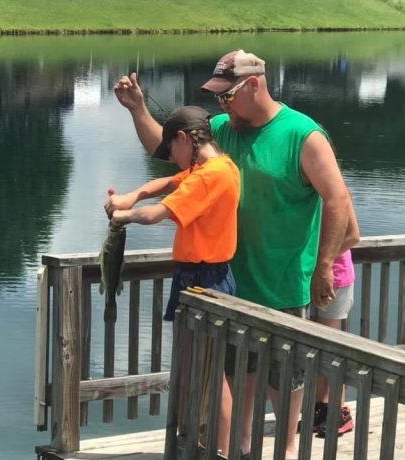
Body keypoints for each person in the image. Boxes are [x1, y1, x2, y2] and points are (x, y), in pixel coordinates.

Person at [114, 50, 352, 459]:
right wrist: (137, 109)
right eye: (218, 98)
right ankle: (239, 448)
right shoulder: (223, 129)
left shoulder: (302, 134)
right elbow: (170, 148)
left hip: (283, 282)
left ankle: (287, 448)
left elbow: (337, 199)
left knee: (286, 378)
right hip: (226, 283)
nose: (221, 106)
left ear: (254, 85)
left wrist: (325, 266)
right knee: (235, 373)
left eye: (228, 96)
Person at [104, 105, 240, 454]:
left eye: (171, 149)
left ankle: (221, 450)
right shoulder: (214, 168)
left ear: (184, 138)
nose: (171, 157)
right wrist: (134, 194)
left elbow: (157, 214)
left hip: (205, 281)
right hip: (198, 276)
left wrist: (125, 215)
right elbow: (165, 183)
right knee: (195, 370)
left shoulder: (209, 177)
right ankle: (195, 442)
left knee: (211, 375)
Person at [306, 197, 360, 438]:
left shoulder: (339, 194)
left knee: (330, 348)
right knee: (317, 350)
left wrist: (321, 259)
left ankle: (341, 412)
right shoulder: (309, 194)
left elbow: (353, 236)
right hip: (311, 279)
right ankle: (322, 408)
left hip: (336, 280)